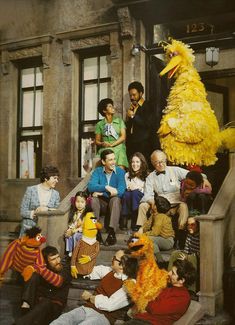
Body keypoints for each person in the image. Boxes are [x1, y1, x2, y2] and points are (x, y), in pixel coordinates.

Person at [135, 150, 211, 239]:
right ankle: (140, 231)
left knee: (183, 206)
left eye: (162, 161)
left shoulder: (175, 170)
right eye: (157, 162)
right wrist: (152, 203)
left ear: (166, 160)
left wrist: (204, 179)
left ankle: (181, 232)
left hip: (176, 203)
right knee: (143, 205)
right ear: (152, 163)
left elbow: (194, 175)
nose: (160, 164)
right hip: (161, 205)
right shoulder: (150, 177)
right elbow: (147, 195)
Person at [50, 250, 138, 325]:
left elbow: (110, 305)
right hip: (86, 308)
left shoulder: (130, 284)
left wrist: (91, 297)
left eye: (114, 258)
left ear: (122, 265)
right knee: (61, 320)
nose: (111, 259)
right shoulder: (109, 271)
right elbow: (88, 271)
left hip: (103, 317)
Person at [125, 259, 196, 325]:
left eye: (173, 273)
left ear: (181, 280)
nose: (169, 273)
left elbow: (155, 309)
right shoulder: (168, 287)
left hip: (150, 322)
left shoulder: (182, 297)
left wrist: (144, 299)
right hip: (141, 319)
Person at [15, 246, 72, 325]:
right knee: (33, 275)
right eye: (53, 259)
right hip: (38, 303)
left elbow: (58, 281)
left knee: (45, 304)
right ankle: (26, 304)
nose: (58, 261)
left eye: (58, 257)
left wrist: (42, 270)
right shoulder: (44, 269)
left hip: (54, 306)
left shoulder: (65, 269)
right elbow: (23, 278)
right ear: (46, 262)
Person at [88, 149, 126, 246]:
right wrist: (106, 187)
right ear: (103, 162)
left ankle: (112, 233)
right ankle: (96, 231)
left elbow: (121, 191)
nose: (113, 162)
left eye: (114, 159)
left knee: (116, 199)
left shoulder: (120, 172)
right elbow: (91, 186)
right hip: (102, 204)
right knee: (93, 199)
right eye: (110, 160)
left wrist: (102, 193)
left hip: (115, 205)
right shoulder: (97, 171)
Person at [19, 165, 60, 237]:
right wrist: (35, 212)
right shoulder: (31, 190)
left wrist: (46, 209)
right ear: (46, 178)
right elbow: (22, 211)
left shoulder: (56, 194)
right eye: (54, 178)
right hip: (28, 231)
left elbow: (56, 212)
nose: (57, 181)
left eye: (57, 178)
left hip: (46, 233)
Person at [168, 217, 200, 292]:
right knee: (175, 253)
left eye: (192, 225)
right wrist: (184, 256)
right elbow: (186, 250)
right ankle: (169, 279)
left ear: (198, 225)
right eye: (188, 225)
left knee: (192, 258)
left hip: (198, 259)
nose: (189, 227)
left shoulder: (201, 236)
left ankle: (192, 290)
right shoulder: (189, 235)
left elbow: (201, 253)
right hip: (189, 255)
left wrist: (187, 258)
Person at [140, 195, 175, 266]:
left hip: (167, 240)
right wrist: (141, 229)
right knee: (151, 243)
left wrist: (142, 235)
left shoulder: (161, 217)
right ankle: (156, 261)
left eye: (154, 203)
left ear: (156, 207)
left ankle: (160, 261)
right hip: (159, 239)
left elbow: (155, 232)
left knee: (146, 238)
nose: (152, 203)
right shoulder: (154, 215)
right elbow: (146, 226)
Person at [95, 98, 128, 169]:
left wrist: (112, 145)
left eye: (112, 105)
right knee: (98, 164)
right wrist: (102, 143)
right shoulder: (99, 124)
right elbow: (97, 141)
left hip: (118, 147)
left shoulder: (119, 121)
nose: (113, 107)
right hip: (105, 148)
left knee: (120, 170)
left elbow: (123, 137)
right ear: (104, 110)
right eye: (110, 106)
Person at [126, 81, 154, 163]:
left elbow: (148, 123)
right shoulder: (132, 107)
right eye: (130, 95)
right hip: (132, 144)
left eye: (134, 95)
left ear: (141, 93)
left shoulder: (148, 105)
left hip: (143, 144)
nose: (132, 97)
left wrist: (132, 116)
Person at [120, 152, 149, 231]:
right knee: (127, 194)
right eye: (133, 162)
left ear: (142, 163)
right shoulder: (127, 174)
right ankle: (125, 217)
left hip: (142, 196)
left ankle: (134, 219)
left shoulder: (147, 175)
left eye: (137, 162)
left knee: (135, 193)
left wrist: (138, 188)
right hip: (130, 196)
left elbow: (147, 190)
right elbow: (127, 187)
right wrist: (131, 188)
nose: (134, 164)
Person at [65, 191, 91, 257]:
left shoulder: (88, 214)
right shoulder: (75, 213)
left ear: (86, 203)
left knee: (76, 235)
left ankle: (76, 252)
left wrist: (77, 230)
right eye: (77, 202)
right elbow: (73, 223)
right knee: (68, 236)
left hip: (84, 232)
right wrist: (69, 229)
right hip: (75, 230)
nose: (79, 204)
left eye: (82, 202)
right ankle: (70, 251)